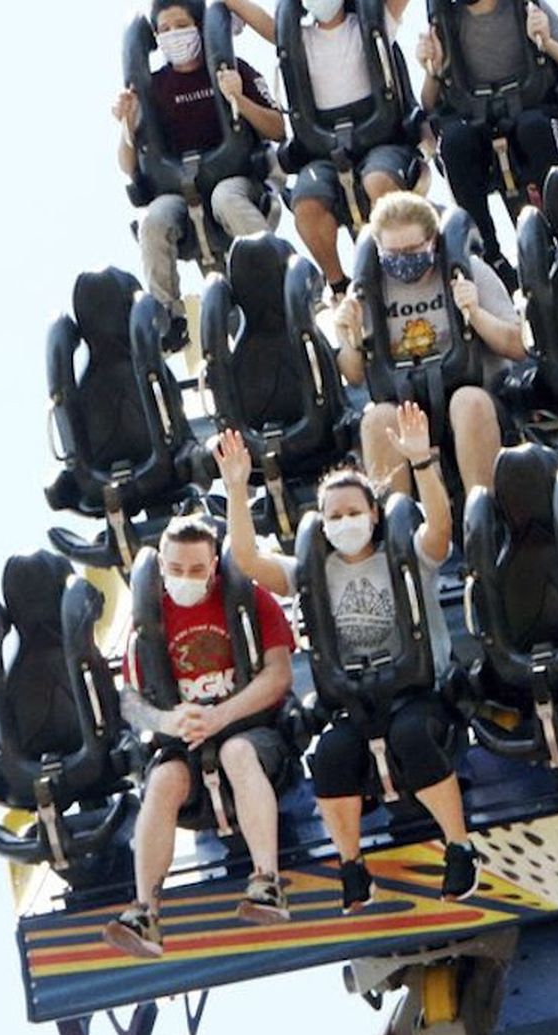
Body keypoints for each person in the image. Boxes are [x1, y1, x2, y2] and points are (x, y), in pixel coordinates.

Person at [214, 405, 479, 910]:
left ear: (374, 514)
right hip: (352, 700)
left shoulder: (404, 554)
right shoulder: (314, 570)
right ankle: (353, 865)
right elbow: (249, 562)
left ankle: (459, 847)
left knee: (412, 736)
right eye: (334, 516)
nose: (344, 523)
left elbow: (440, 532)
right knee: (329, 757)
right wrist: (235, 491)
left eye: (353, 513)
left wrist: (422, 465)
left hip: (417, 694)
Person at [103, 516, 297, 960]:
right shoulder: (148, 622)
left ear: (213, 567)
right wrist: (168, 721)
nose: (184, 580)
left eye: (195, 571)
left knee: (236, 751)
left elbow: (279, 673)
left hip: (250, 732)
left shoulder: (250, 601)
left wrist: (221, 714)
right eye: (175, 570)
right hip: (183, 742)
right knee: (163, 779)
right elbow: (130, 703)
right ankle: (145, 910)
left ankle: (267, 882)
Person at [114, 0, 288, 351]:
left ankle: (279, 279)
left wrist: (239, 97)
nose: (173, 36)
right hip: (177, 192)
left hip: (237, 181)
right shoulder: (154, 89)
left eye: (181, 26)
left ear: (198, 26)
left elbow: (278, 129)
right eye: (164, 30)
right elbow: (128, 165)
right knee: (153, 219)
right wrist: (126, 125)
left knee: (226, 197)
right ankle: (168, 318)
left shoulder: (233, 69)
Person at [224, 0, 422, 297]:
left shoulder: (370, 24)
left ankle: (398, 261)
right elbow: (264, 22)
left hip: (380, 140)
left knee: (377, 181)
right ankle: (339, 285)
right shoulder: (298, 39)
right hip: (323, 150)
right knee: (306, 205)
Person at [332, 191, 525, 495]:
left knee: (468, 402)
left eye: (412, 250)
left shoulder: (470, 272)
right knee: (376, 419)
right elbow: (354, 375)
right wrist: (349, 335)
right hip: (403, 405)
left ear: (433, 241)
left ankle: (486, 514)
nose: (402, 262)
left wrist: (474, 312)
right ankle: (398, 524)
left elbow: (517, 347)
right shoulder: (368, 289)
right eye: (392, 254)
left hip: (474, 398)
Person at [417, 0, 558, 283]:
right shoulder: (446, 21)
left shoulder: (529, 8)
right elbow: (428, 103)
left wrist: (547, 42)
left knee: (533, 128)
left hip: (534, 113)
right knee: (454, 142)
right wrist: (432, 70)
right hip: (475, 125)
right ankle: (488, 255)